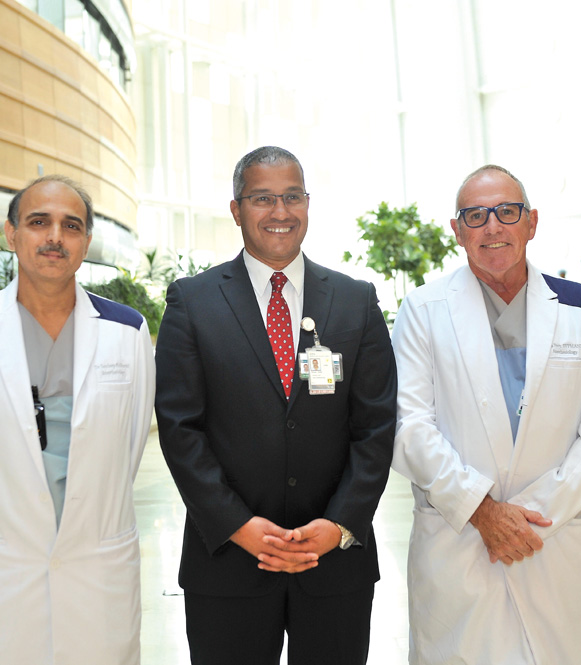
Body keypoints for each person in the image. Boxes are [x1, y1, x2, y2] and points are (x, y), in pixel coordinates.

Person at [154, 146, 397, 665]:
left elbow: (375, 427)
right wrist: (239, 526)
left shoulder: (356, 300)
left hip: (335, 563)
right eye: (263, 198)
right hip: (227, 560)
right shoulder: (192, 302)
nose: (280, 212)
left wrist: (339, 526)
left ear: (308, 203)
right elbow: (180, 429)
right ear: (237, 208)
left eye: (292, 197)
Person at [391, 165, 581, 664]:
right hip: (460, 541)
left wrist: (528, 520)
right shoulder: (423, 310)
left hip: (552, 541)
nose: (492, 227)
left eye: (507, 211)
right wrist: (482, 510)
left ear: (532, 222)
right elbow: (409, 426)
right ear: (456, 231)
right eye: (475, 216)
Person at [0, 175, 154, 665]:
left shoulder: (126, 332)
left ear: (86, 241)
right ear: (11, 234)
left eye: (71, 226)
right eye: (38, 222)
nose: (55, 237)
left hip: (97, 565)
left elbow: (128, 450)